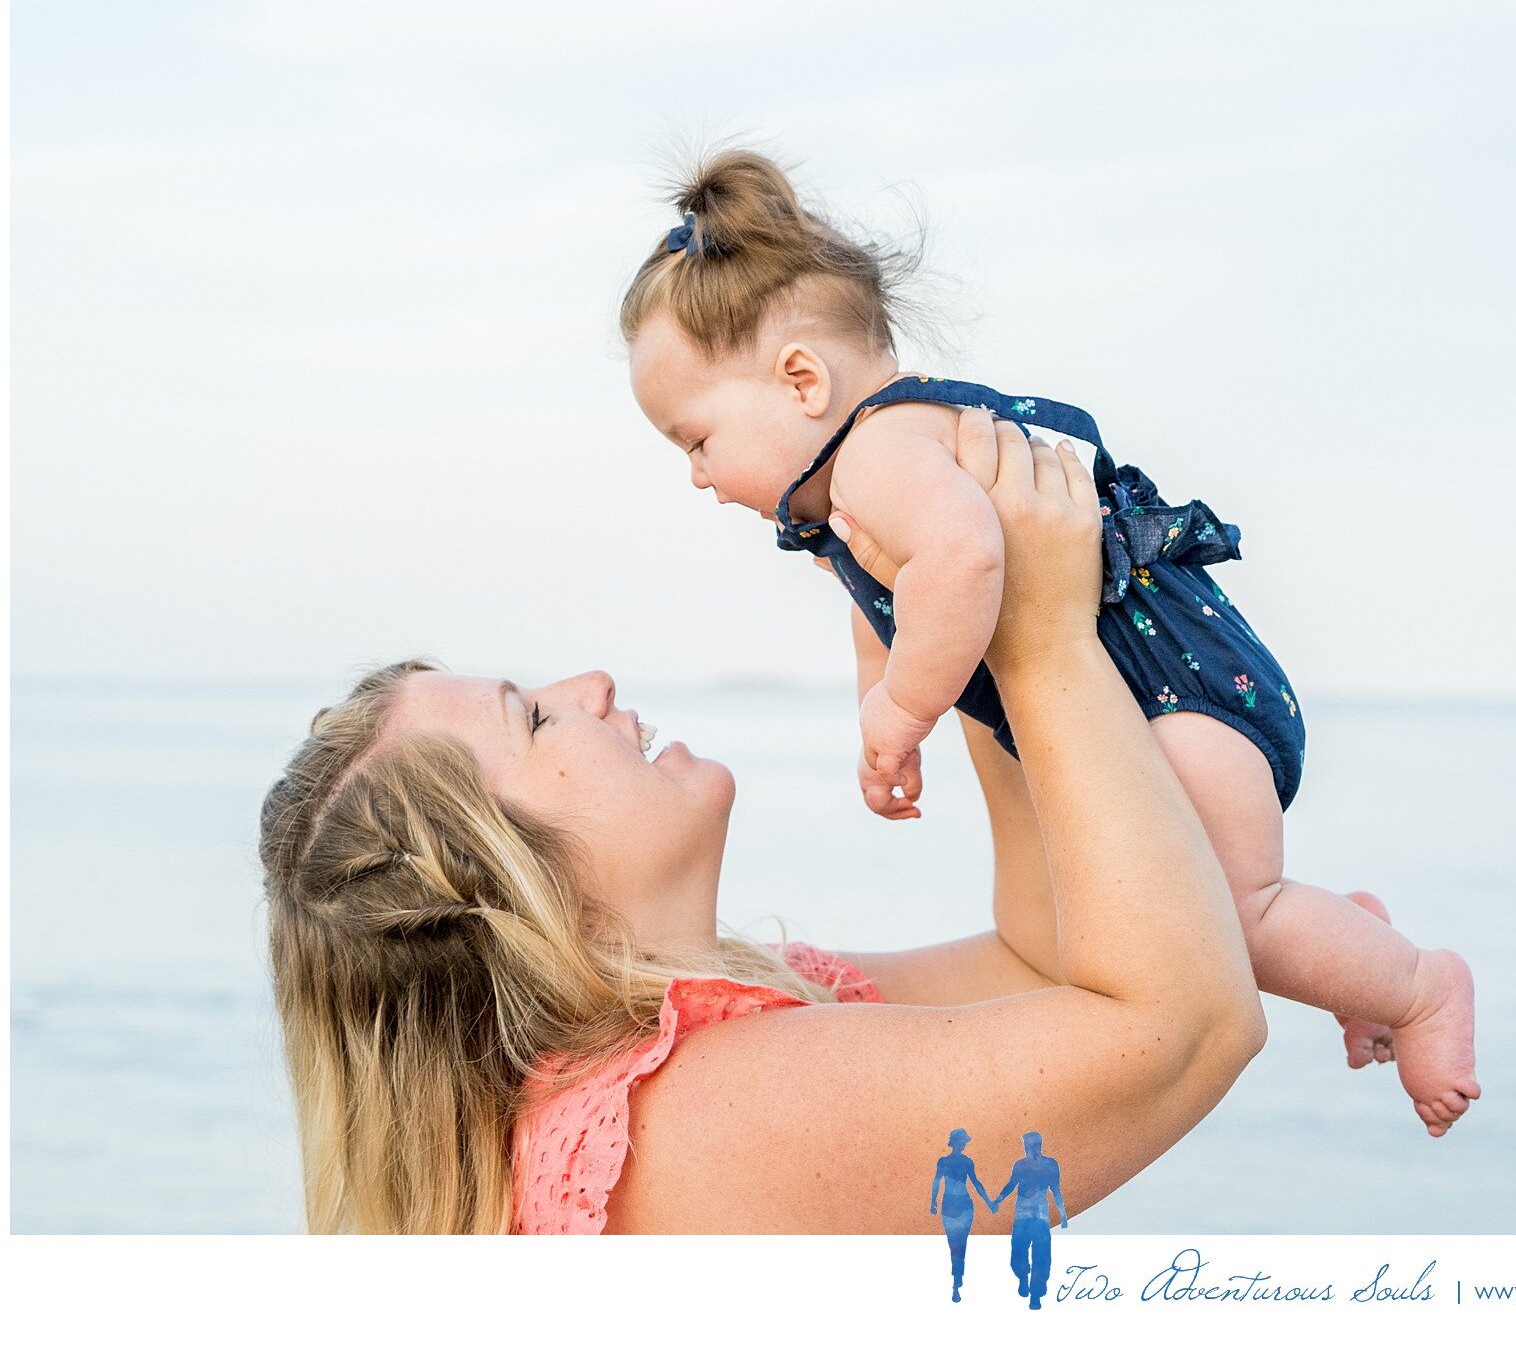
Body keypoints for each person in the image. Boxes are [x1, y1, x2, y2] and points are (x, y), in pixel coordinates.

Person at [623, 148, 1479, 1137]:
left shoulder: (879, 454)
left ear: (802, 379)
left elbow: (963, 560)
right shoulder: (850, 490)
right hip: (1143, 687)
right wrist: (879, 703)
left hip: (1172, 681)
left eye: (695, 439)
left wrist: (905, 711)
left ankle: (1417, 985)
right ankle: (1346, 937)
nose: (694, 475)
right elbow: (880, 606)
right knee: (1186, 911)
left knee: (1223, 920)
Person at [260, 413, 1267, 1233]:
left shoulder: (708, 1042)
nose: (590, 682)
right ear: (501, 888)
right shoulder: (707, 1118)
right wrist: (1044, 641)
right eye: (529, 716)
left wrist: (963, 631)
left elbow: (1040, 961)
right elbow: (1179, 1031)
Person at [992, 1132, 1066, 1310]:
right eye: (1024, 1145)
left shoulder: (1050, 1165)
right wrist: (999, 1199)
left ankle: (1035, 1294)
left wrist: (1063, 1213)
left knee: (1041, 1255)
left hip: (1040, 1216)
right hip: (1023, 1215)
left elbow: (1056, 1190)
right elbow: (1011, 1184)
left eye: (1027, 1145)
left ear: (1035, 1146)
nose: (1025, 1148)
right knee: (1018, 1251)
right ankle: (1023, 1278)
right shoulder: (1020, 1165)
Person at [930, 1128, 992, 1301]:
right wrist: (933, 1201)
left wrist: (989, 1202)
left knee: (960, 1244)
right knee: (953, 1245)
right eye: (962, 1141)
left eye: (965, 1141)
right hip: (950, 1206)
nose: (964, 1144)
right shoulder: (943, 1162)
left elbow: (976, 1183)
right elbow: (936, 1182)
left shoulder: (967, 1162)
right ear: (955, 1141)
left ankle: (957, 1281)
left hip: (964, 1205)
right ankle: (957, 1277)